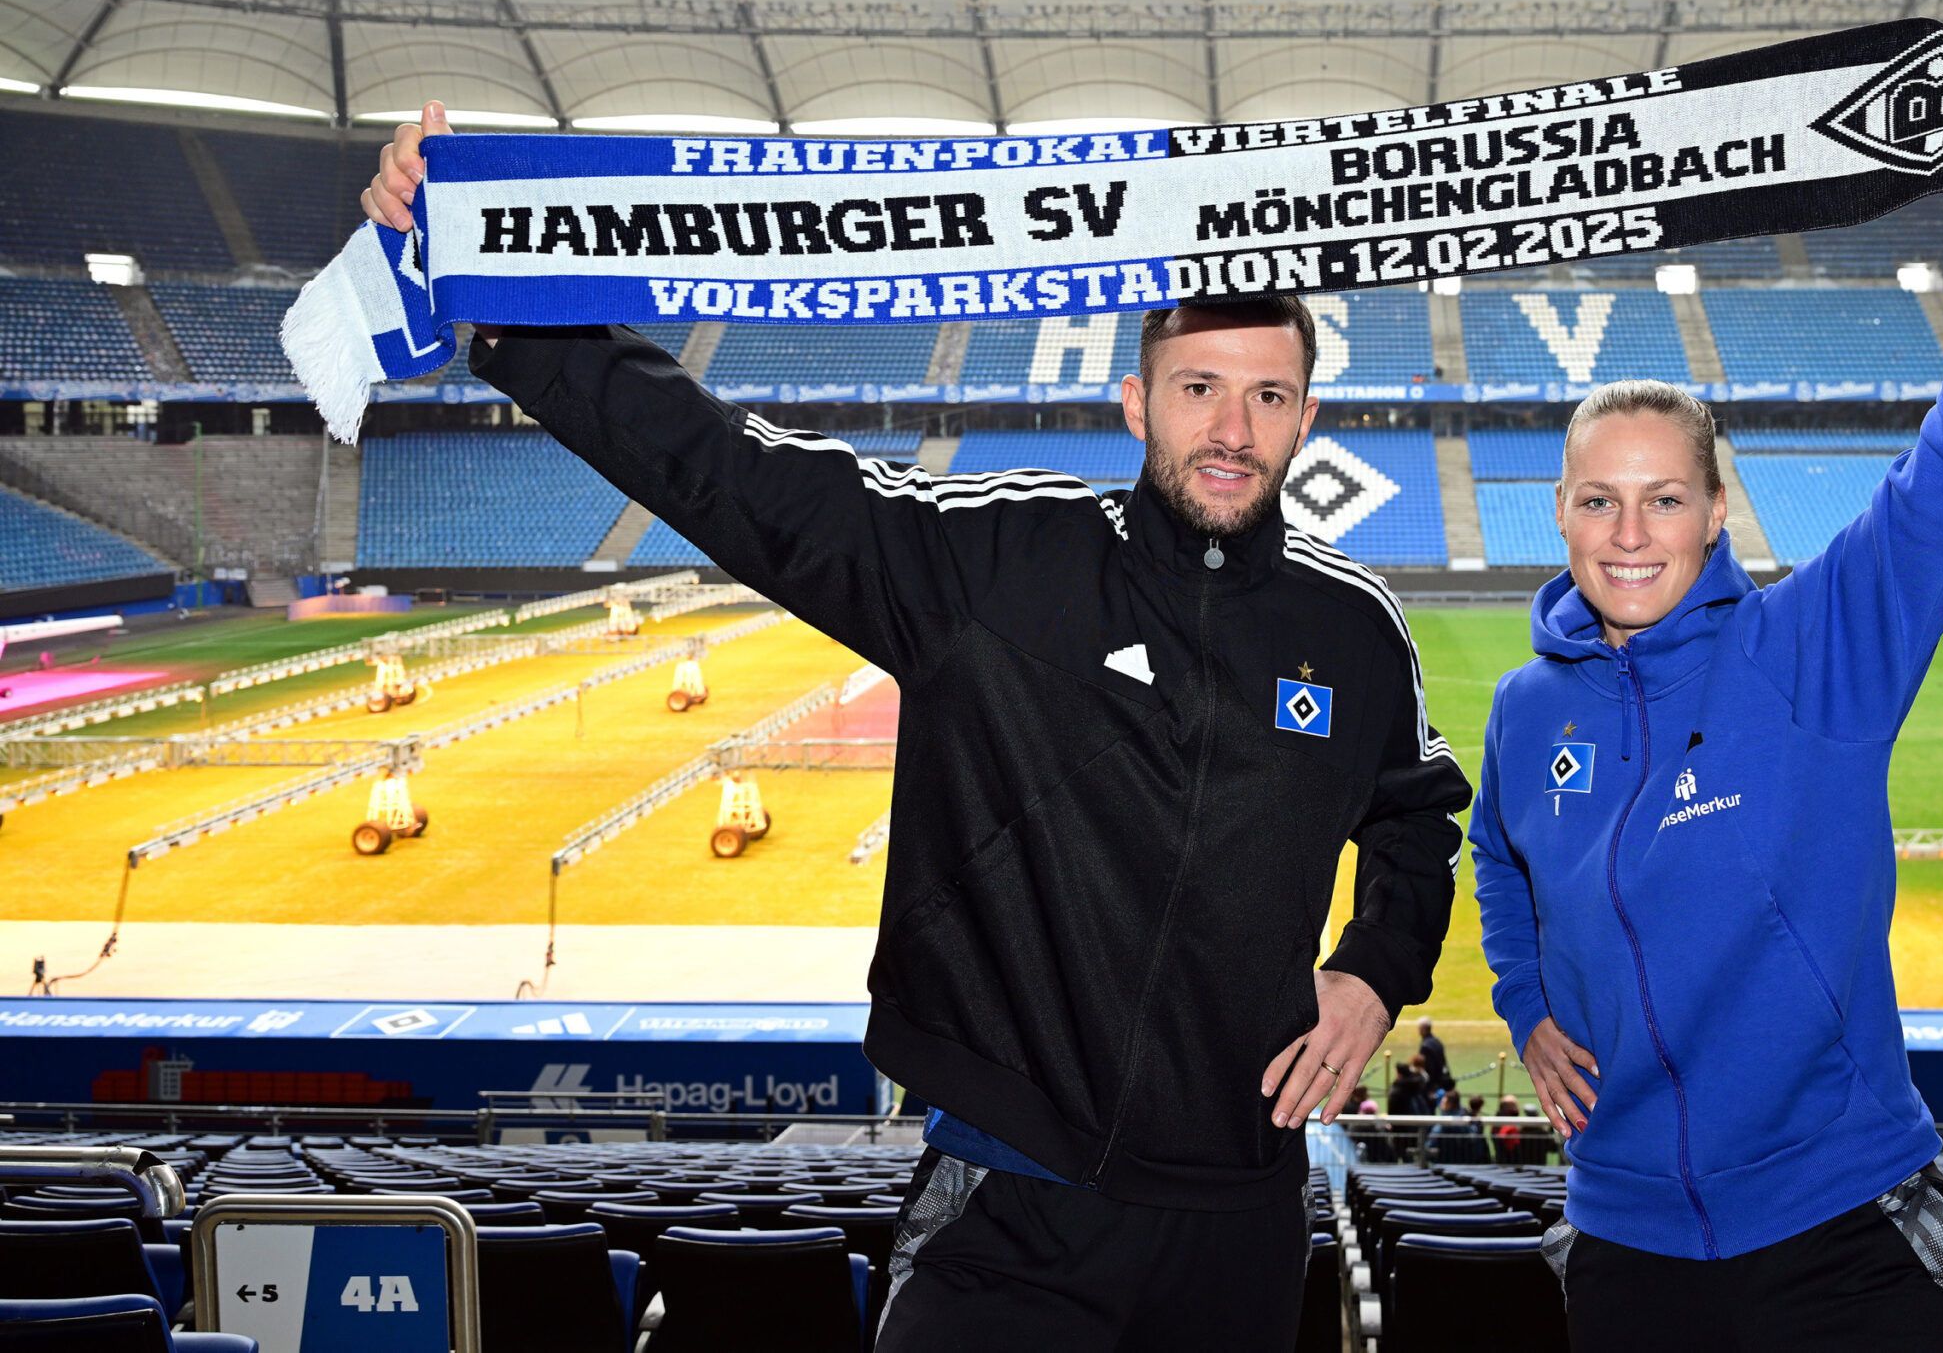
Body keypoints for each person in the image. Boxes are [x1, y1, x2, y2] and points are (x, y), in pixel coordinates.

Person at [357, 124, 1472, 1351]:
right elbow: (733, 475)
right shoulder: (993, 563)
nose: (1230, 427)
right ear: (1135, 401)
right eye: (1198, 386)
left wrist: (1373, 969)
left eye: (1265, 395)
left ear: (1306, 415)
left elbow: (1417, 822)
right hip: (1009, 1204)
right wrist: (495, 282)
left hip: (1238, 1215)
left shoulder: (1354, 630)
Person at [1470, 17, 1943, 1350]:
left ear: (1718, 505)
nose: (1630, 534)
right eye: (1601, 502)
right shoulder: (1525, 710)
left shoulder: (1815, 647)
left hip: (1842, 1225)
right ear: (1556, 512)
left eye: (1664, 499)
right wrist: (1527, 1004)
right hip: (1621, 1238)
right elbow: (1496, 859)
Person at [1416, 1016, 1452, 1094]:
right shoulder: (1437, 1041)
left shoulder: (1425, 1046)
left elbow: (1428, 1067)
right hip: (1442, 1079)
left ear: (1423, 1029)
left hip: (1433, 1085)